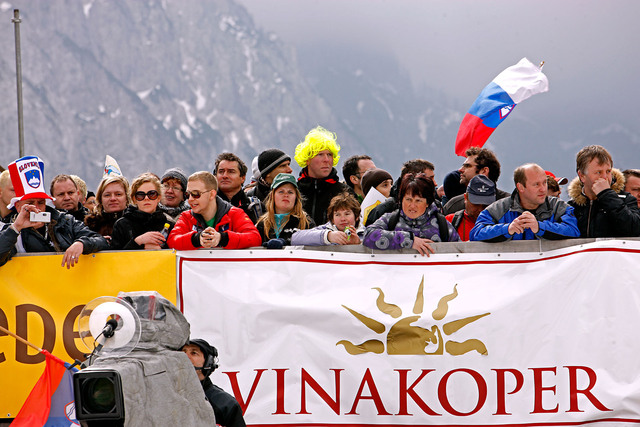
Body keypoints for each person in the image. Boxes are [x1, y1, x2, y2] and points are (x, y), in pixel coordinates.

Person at [0, 156, 108, 268]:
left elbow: (101, 241)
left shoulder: (64, 221)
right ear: (18, 206)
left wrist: (81, 243)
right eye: (30, 203)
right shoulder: (11, 230)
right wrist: (16, 228)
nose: (36, 208)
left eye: (41, 202)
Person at [470, 163, 580, 242]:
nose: (543, 189)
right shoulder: (498, 208)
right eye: (536, 184)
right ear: (521, 187)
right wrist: (508, 229)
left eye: (544, 183)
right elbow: (476, 233)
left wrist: (539, 227)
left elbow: (573, 230)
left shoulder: (559, 206)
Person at [363, 173, 459, 257]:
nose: (412, 206)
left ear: (427, 203)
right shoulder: (390, 220)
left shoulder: (442, 225)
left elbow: (460, 252)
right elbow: (368, 235)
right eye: (408, 199)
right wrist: (408, 240)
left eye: (418, 201)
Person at [167, 171, 261, 250]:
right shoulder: (186, 216)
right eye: (188, 194)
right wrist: (197, 239)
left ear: (212, 194)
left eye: (196, 194)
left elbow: (254, 238)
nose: (190, 199)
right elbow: (172, 240)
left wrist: (222, 238)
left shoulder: (235, 213)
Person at [567, 145, 640, 237]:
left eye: (608, 171)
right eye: (598, 172)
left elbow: (635, 229)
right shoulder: (572, 206)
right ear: (582, 176)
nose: (605, 177)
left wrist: (606, 194)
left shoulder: (626, 199)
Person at [182, 339, 246, 427]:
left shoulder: (225, 403)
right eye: (182, 352)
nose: (186, 357)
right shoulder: (164, 395)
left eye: (194, 353)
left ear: (208, 361)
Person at [295, 126, 350, 225]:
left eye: (329, 155)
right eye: (320, 154)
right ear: (307, 159)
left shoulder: (344, 192)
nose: (326, 159)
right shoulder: (294, 191)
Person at [110, 173, 175, 250]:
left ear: (158, 197)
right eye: (140, 195)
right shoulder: (122, 225)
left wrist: (160, 251)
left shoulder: (170, 224)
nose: (146, 198)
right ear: (134, 199)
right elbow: (114, 258)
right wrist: (138, 242)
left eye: (152, 194)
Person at [364, 159, 437, 226]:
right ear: (411, 178)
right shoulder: (384, 211)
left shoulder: (436, 206)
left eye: (418, 201)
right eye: (430, 179)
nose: (435, 183)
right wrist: (409, 239)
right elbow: (370, 237)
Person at [443, 147, 510, 215]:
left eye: (467, 166)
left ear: (484, 171)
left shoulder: (510, 205)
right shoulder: (453, 206)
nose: (460, 170)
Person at [255, 173, 313, 248]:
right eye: (281, 191)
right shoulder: (261, 224)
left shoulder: (307, 223)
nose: (286, 195)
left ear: (296, 197)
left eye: (290, 192)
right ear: (272, 195)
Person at [291, 192, 362, 246]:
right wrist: (328, 236)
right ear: (332, 219)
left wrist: (359, 243)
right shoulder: (325, 229)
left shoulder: (366, 233)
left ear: (356, 216)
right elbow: (295, 238)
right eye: (337, 215)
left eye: (347, 214)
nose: (343, 219)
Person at [446, 175, 496, 241]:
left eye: (486, 205)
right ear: (465, 198)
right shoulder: (448, 222)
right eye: (476, 204)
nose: (480, 210)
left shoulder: (502, 221)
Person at [214, 153, 258, 223]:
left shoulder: (256, 208)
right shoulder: (205, 206)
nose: (225, 176)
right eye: (221, 171)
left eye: (231, 172)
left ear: (243, 178)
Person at [85, 175, 131, 239]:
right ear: (100, 199)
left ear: (127, 197)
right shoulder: (90, 226)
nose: (113, 198)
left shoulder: (137, 222)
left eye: (118, 194)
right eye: (107, 195)